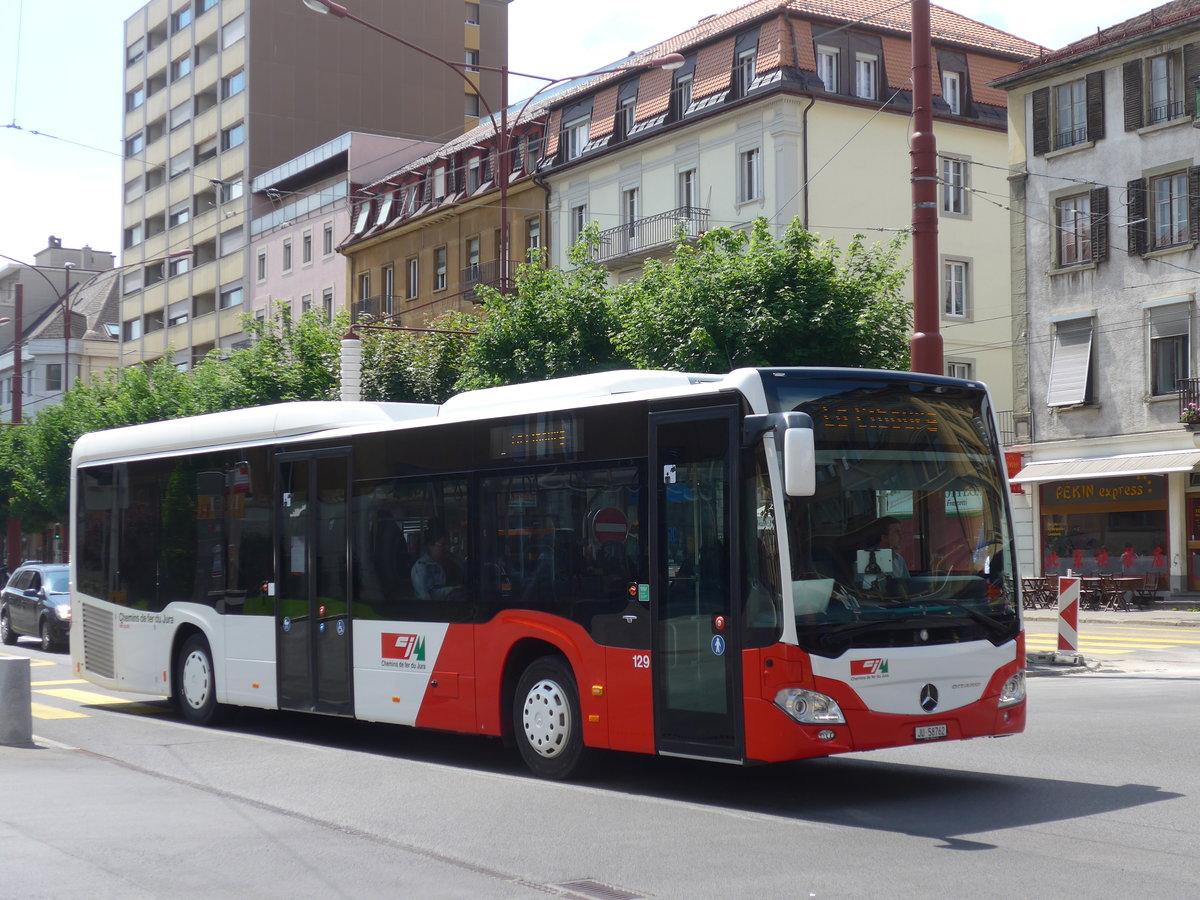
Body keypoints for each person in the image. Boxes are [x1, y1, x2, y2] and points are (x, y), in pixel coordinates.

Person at [859, 516, 910, 587]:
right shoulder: (867, 558)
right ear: (884, 538)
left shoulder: (899, 560)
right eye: (897, 532)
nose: (901, 536)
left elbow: (907, 585)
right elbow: (865, 587)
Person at [411, 530, 458, 600]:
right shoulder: (421, 568)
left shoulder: (451, 564)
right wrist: (452, 590)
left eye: (448, 544)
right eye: (443, 544)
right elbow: (425, 598)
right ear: (430, 546)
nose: (447, 548)